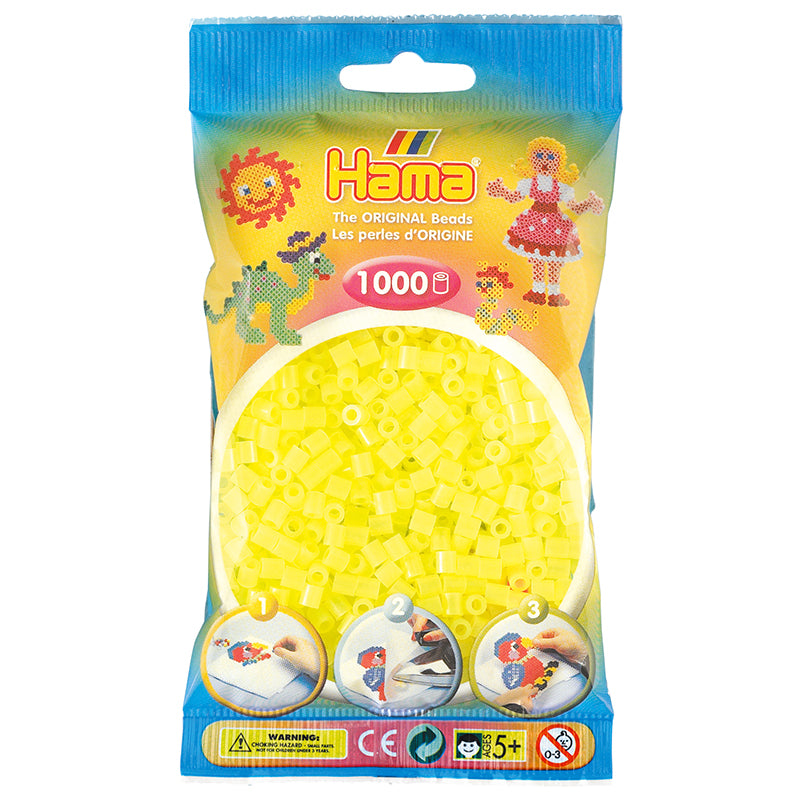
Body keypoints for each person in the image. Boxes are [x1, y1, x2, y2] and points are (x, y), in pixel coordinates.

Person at [487, 137, 604, 307]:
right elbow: (515, 197)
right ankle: (538, 290)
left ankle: (554, 292)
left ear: (559, 162)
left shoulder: (562, 188)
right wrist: (502, 191)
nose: (544, 161)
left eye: (550, 157)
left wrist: (588, 204)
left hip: (556, 226)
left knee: (555, 260)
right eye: (539, 156)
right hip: (533, 224)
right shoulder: (528, 183)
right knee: (537, 259)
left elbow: (574, 208)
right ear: (531, 159)